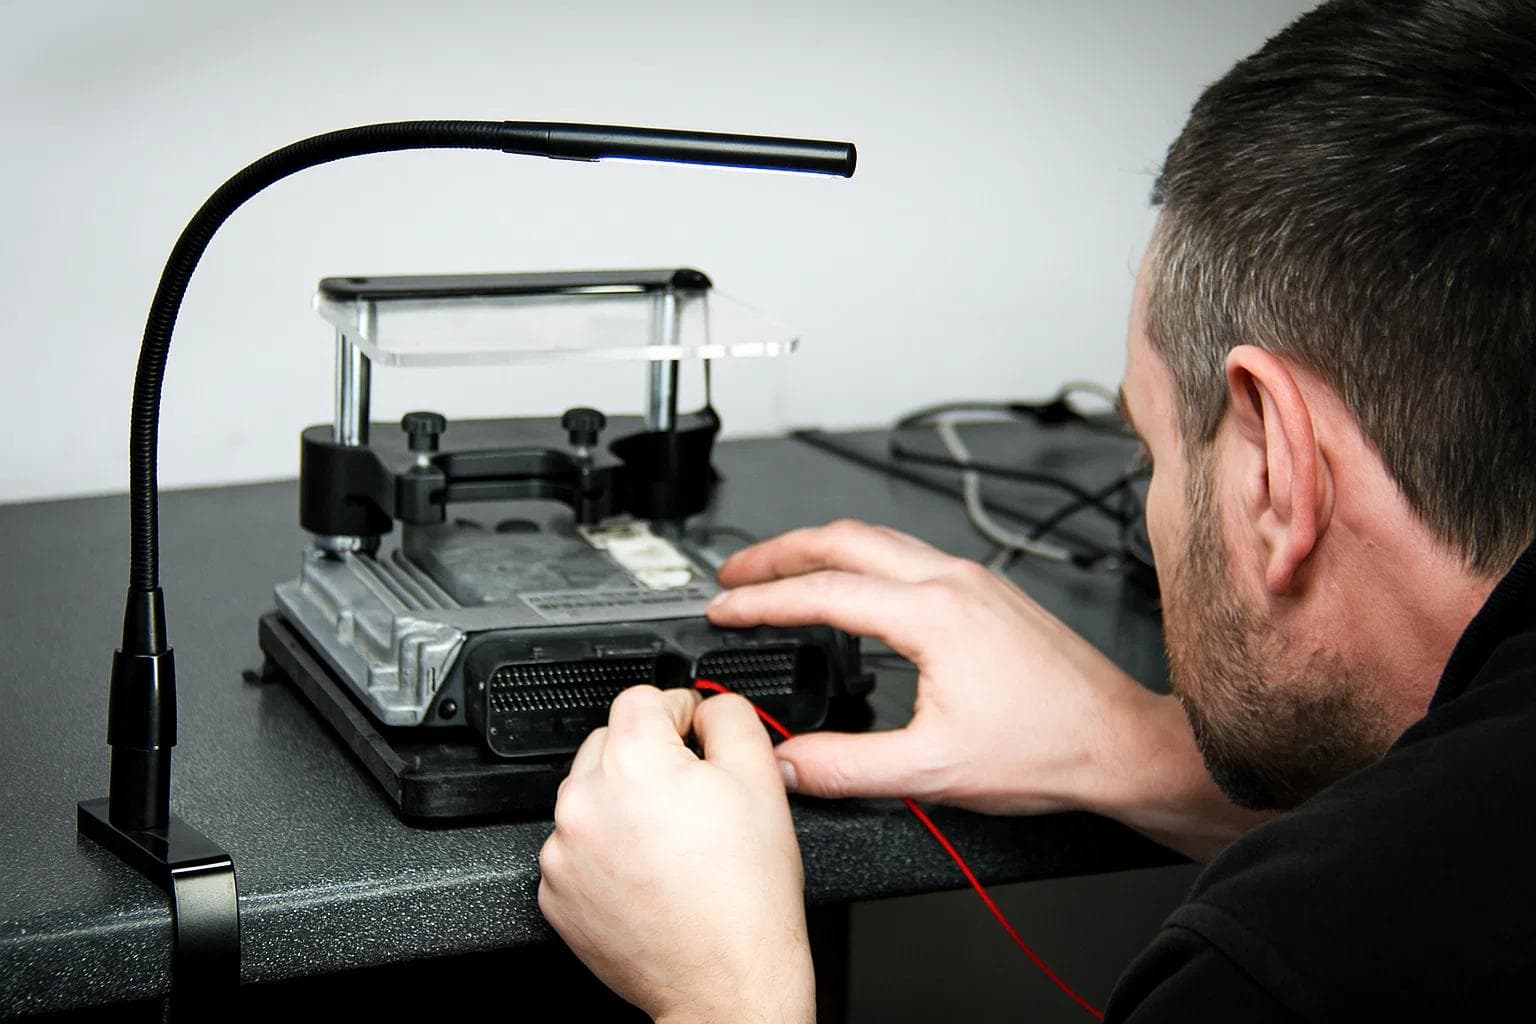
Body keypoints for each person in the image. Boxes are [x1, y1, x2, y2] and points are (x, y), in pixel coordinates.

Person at [536, 0, 1536, 1019]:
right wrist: (1123, 741)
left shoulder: (1288, 972)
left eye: (1147, 448)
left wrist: (729, 988)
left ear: (1274, 472)